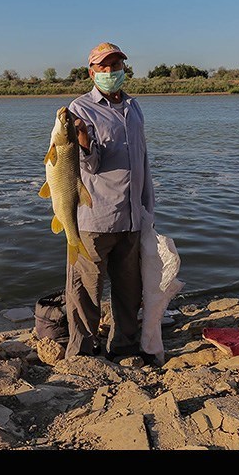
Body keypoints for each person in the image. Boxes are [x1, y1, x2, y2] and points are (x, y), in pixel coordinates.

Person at [64, 42, 155, 363]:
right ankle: (82, 352)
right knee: (85, 290)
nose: (111, 72)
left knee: (130, 291)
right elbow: (87, 166)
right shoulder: (80, 109)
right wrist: (84, 142)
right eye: (104, 67)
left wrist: (148, 208)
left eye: (116, 66)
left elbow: (141, 160)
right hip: (94, 219)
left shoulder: (134, 106)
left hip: (132, 216)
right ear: (92, 72)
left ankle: (125, 347)